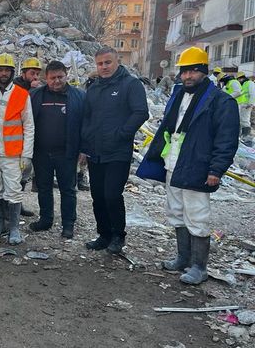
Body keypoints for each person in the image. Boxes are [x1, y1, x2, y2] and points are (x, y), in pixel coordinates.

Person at [137, 47, 239, 285]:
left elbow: (226, 139)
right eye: (185, 71)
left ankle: (199, 266)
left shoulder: (220, 101)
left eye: (194, 71)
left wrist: (216, 170)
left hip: (198, 167)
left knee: (197, 215)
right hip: (174, 164)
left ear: (203, 72)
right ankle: (183, 258)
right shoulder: (179, 95)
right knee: (176, 212)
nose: (188, 76)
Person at [81, 46, 149, 254]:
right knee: (98, 196)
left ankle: (118, 236)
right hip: (96, 151)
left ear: (117, 61)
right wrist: (85, 146)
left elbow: (140, 113)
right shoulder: (94, 88)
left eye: (107, 62)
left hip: (118, 152)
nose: (104, 67)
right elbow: (87, 118)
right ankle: (104, 235)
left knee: (112, 195)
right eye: (100, 63)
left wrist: (121, 134)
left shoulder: (130, 85)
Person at [0, 53, 35, 245]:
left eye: (7, 70)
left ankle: (13, 228)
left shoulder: (22, 95)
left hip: (13, 154)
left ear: (12, 73)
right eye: (0, 70)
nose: (3, 74)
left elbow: (29, 126)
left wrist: (27, 155)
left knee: (13, 190)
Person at [29, 60, 85, 239]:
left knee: (68, 189)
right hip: (41, 152)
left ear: (66, 75)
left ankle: (68, 224)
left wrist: (83, 150)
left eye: (60, 77)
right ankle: (46, 220)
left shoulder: (78, 96)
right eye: (52, 78)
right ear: (46, 78)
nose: (56, 81)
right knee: (44, 187)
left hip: (67, 153)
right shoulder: (35, 95)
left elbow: (86, 125)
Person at [13, 57, 43, 217]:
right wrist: (32, 91)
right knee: (14, 173)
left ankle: (18, 203)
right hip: (16, 137)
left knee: (25, 172)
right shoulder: (16, 87)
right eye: (32, 73)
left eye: (38, 74)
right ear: (24, 73)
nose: (36, 77)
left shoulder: (36, 88)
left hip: (29, 135)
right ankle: (8, 206)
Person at [236, 71, 254, 143]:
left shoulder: (250, 83)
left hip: (247, 105)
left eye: (239, 79)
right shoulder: (243, 84)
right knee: (241, 120)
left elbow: (253, 93)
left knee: (245, 120)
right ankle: (242, 135)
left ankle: (246, 136)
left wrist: (251, 104)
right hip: (242, 105)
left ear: (242, 78)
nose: (238, 81)